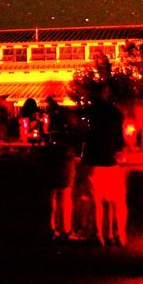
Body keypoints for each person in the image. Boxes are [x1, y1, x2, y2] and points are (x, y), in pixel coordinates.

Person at [81, 83, 127, 246]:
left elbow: (83, 134)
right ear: (106, 93)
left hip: (93, 160)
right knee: (115, 201)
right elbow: (120, 137)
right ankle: (117, 235)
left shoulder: (89, 112)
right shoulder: (115, 113)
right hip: (111, 161)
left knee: (96, 201)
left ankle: (98, 234)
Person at [43, 97, 79, 240]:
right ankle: (65, 229)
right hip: (64, 161)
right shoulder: (68, 132)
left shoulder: (51, 128)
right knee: (64, 196)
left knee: (52, 197)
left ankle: (51, 228)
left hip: (52, 159)